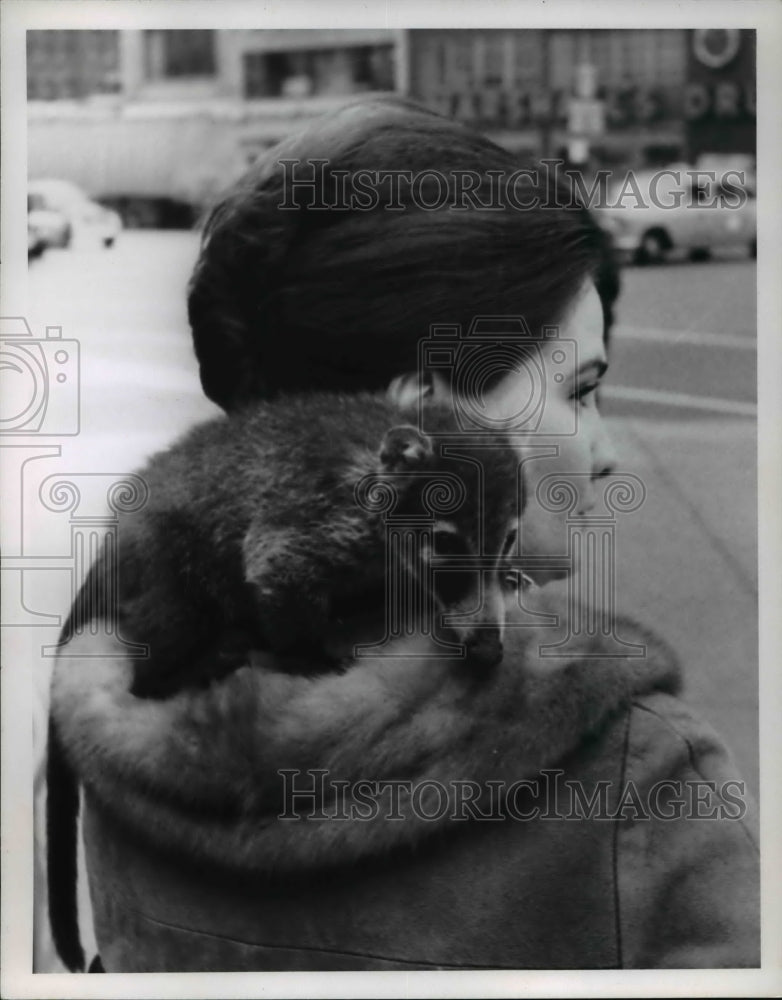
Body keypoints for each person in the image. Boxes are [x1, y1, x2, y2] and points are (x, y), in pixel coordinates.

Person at [47, 95, 759, 972]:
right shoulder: (637, 776)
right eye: (579, 392)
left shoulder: (128, 720)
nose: (607, 452)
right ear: (422, 417)